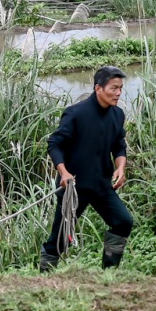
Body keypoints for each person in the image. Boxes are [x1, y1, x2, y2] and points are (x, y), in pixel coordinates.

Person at [40, 65, 134, 272]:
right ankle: (44, 278)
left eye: (120, 88)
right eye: (113, 88)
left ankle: (108, 273)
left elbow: (119, 145)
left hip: (101, 185)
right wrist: (63, 172)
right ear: (98, 88)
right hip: (74, 188)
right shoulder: (76, 113)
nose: (118, 93)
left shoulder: (117, 115)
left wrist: (120, 167)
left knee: (123, 222)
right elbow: (54, 144)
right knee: (60, 239)